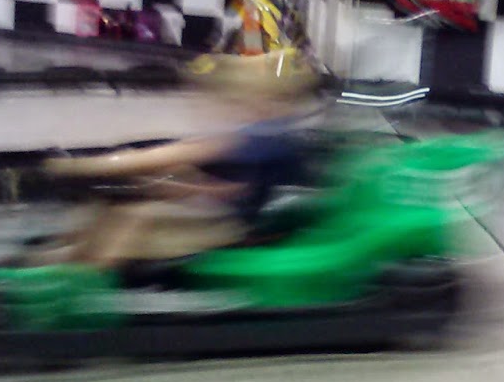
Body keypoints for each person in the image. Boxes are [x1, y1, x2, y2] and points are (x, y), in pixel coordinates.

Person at [36, 50, 319, 268]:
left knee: (135, 217)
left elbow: (174, 157)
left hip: (229, 226)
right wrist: (174, 184)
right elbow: (218, 179)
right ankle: (57, 262)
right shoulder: (259, 134)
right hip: (216, 215)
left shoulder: (262, 135)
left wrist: (84, 165)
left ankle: (85, 280)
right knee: (102, 213)